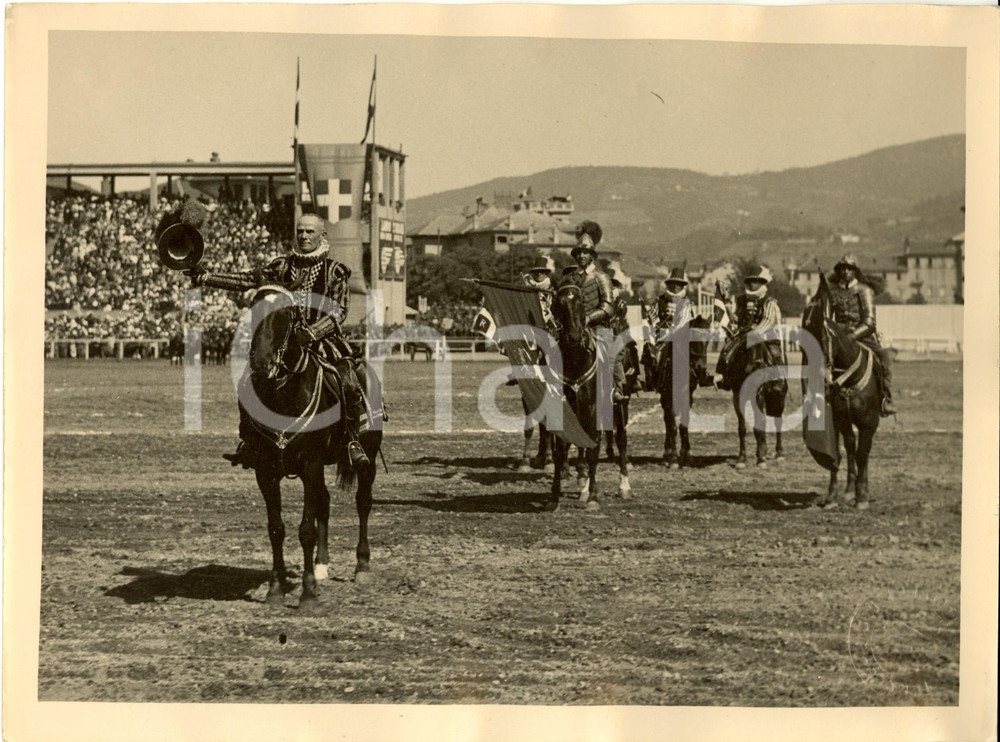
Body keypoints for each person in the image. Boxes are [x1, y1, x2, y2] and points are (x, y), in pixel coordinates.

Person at [186, 213, 371, 471]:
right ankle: (249, 441)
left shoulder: (336, 271)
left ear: (322, 236)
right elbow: (247, 279)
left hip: (324, 338)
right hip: (284, 339)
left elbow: (339, 310)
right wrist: (207, 277)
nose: (304, 236)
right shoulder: (281, 267)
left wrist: (313, 332)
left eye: (310, 232)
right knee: (247, 381)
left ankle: (352, 440)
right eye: (300, 231)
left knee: (348, 377)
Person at [566, 220, 626, 402]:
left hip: (596, 328)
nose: (582, 256)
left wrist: (587, 319)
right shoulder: (568, 278)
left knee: (609, 354)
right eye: (579, 252)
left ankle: (614, 388)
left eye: (586, 252)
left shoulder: (601, 277)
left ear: (592, 255)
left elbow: (607, 306)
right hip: (572, 328)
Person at [829, 254, 896, 415]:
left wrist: (851, 337)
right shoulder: (833, 291)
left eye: (849, 268)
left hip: (862, 336)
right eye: (842, 268)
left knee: (884, 359)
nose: (845, 271)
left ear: (855, 271)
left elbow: (869, 322)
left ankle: (885, 399)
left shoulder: (864, 291)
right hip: (838, 337)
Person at [714, 265, 784, 390]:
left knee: (775, 352)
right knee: (727, 348)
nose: (753, 284)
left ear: (762, 282)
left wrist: (753, 332)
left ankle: (776, 380)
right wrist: (728, 310)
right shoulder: (741, 300)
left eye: (756, 281)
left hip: (765, 335)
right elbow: (736, 318)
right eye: (751, 281)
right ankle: (723, 377)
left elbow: (767, 320)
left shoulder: (769, 302)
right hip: (743, 334)